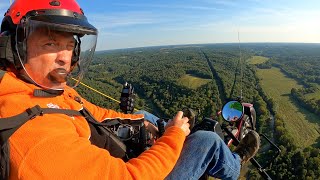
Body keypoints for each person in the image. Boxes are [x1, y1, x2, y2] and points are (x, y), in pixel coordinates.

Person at [0, 0, 260, 179]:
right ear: (14, 47)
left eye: (69, 46)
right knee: (207, 142)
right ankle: (236, 164)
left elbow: (95, 114)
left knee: (145, 115)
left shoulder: (39, 91)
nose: (64, 58)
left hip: (104, 152)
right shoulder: (34, 139)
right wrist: (174, 136)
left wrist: (144, 122)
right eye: (49, 43)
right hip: (129, 172)